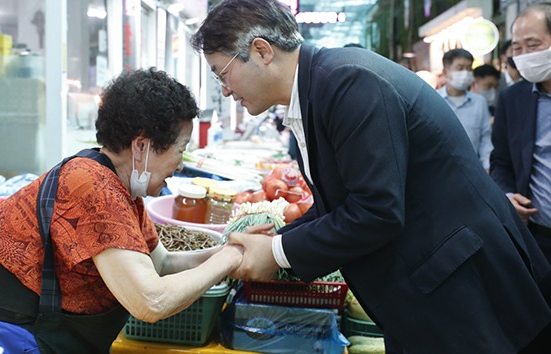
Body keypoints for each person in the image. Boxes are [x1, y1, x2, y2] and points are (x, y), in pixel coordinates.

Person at [190, 0, 551, 353]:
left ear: (262, 51)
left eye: (222, 73)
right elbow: (342, 203)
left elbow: (376, 211)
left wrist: (277, 251)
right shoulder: (318, 89)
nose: (224, 89)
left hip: (465, 292)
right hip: (431, 292)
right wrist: (273, 241)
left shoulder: (349, 81)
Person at [0, 68, 255, 354]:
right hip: (8, 336)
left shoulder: (121, 188)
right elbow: (150, 301)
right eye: (180, 148)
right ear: (142, 146)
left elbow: (161, 265)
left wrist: (230, 250)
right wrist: (230, 260)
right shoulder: (92, 186)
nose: (180, 164)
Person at [491, 4, 551, 351]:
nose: (524, 55)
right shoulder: (514, 99)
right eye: (517, 47)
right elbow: (501, 161)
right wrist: (506, 195)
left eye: (533, 44)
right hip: (537, 237)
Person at [436, 48, 493, 171]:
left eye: (469, 68)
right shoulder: (434, 100)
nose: (465, 73)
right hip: (440, 171)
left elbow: (485, 137)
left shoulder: (479, 102)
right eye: (460, 68)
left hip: (472, 170)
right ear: (446, 72)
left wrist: (487, 166)